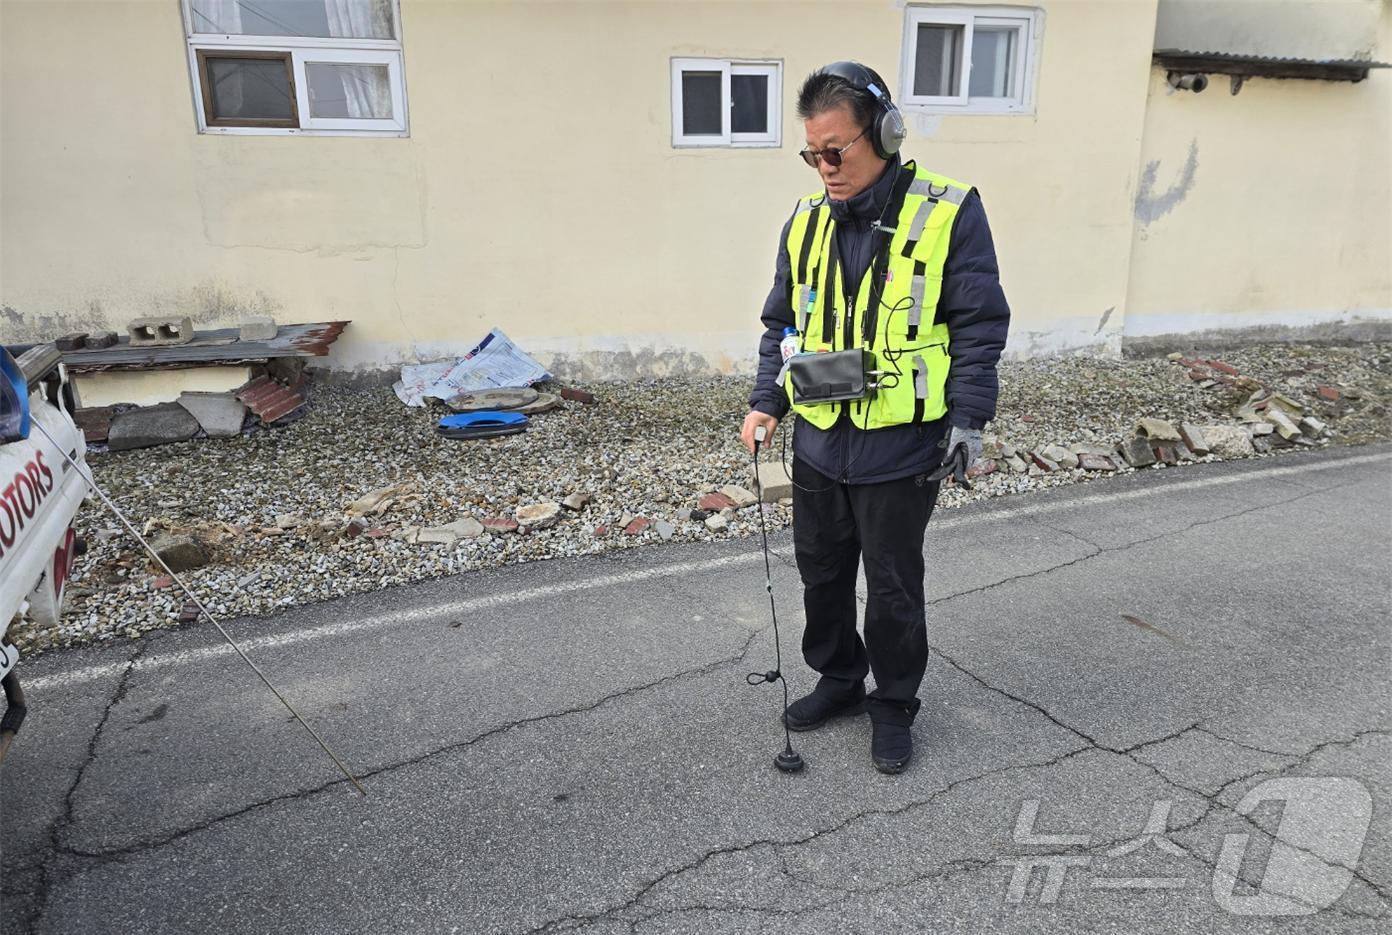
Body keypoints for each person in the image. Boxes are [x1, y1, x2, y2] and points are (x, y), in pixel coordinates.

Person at [741, 62, 1010, 774]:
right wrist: (767, 399)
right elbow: (781, 323)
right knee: (821, 572)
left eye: (838, 150)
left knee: (893, 584)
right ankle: (838, 679)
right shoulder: (803, 224)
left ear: (885, 134)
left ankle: (893, 704)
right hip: (821, 443)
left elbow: (980, 321)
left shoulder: (949, 210)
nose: (824, 167)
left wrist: (970, 417)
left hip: (901, 445)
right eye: (812, 154)